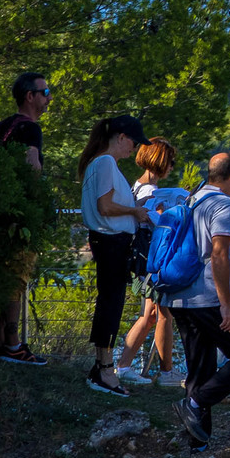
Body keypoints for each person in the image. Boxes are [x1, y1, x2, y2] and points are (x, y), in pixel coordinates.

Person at [169, 152, 230, 450]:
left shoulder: (193, 199)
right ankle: (194, 404)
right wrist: (226, 304)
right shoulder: (224, 204)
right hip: (210, 296)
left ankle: (197, 440)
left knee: (200, 368)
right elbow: (220, 253)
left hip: (181, 296)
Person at [79, 115, 150, 395]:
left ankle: (102, 366)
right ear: (121, 137)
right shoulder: (106, 162)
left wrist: (134, 205)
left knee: (109, 302)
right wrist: (134, 211)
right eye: (133, 142)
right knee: (111, 304)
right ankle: (106, 370)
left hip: (107, 241)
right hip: (111, 242)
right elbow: (106, 207)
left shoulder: (99, 163)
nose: (134, 148)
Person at [117, 138, 189, 381]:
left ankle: (125, 366)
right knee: (163, 314)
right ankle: (165, 372)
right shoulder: (151, 192)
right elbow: (158, 223)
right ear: (160, 161)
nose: (172, 166)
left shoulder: (138, 186)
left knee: (149, 315)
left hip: (142, 259)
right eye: (170, 161)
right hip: (152, 259)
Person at [0, 71, 50, 364]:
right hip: (20, 216)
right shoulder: (30, 128)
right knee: (17, 277)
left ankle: (2, 341)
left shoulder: (4, 126)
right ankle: (14, 345)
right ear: (30, 96)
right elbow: (31, 166)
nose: (49, 98)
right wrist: (39, 200)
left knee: (1, 277)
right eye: (45, 92)